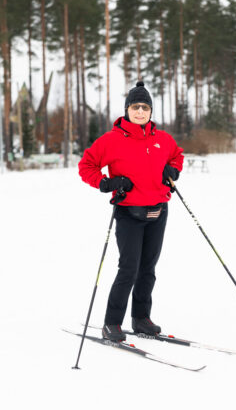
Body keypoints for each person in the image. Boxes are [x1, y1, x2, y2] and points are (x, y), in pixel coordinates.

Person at [78, 81, 184, 342]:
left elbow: (177, 156)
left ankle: (141, 319)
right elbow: (86, 165)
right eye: (135, 107)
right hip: (129, 213)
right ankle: (111, 323)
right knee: (129, 269)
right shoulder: (111, 140)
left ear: (150, 111)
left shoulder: (162, 139)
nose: (140, 112)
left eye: (145, 107)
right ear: (127, 110)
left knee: (148, 268)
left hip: (158, 211)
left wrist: (173, 171)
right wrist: (107, 183)